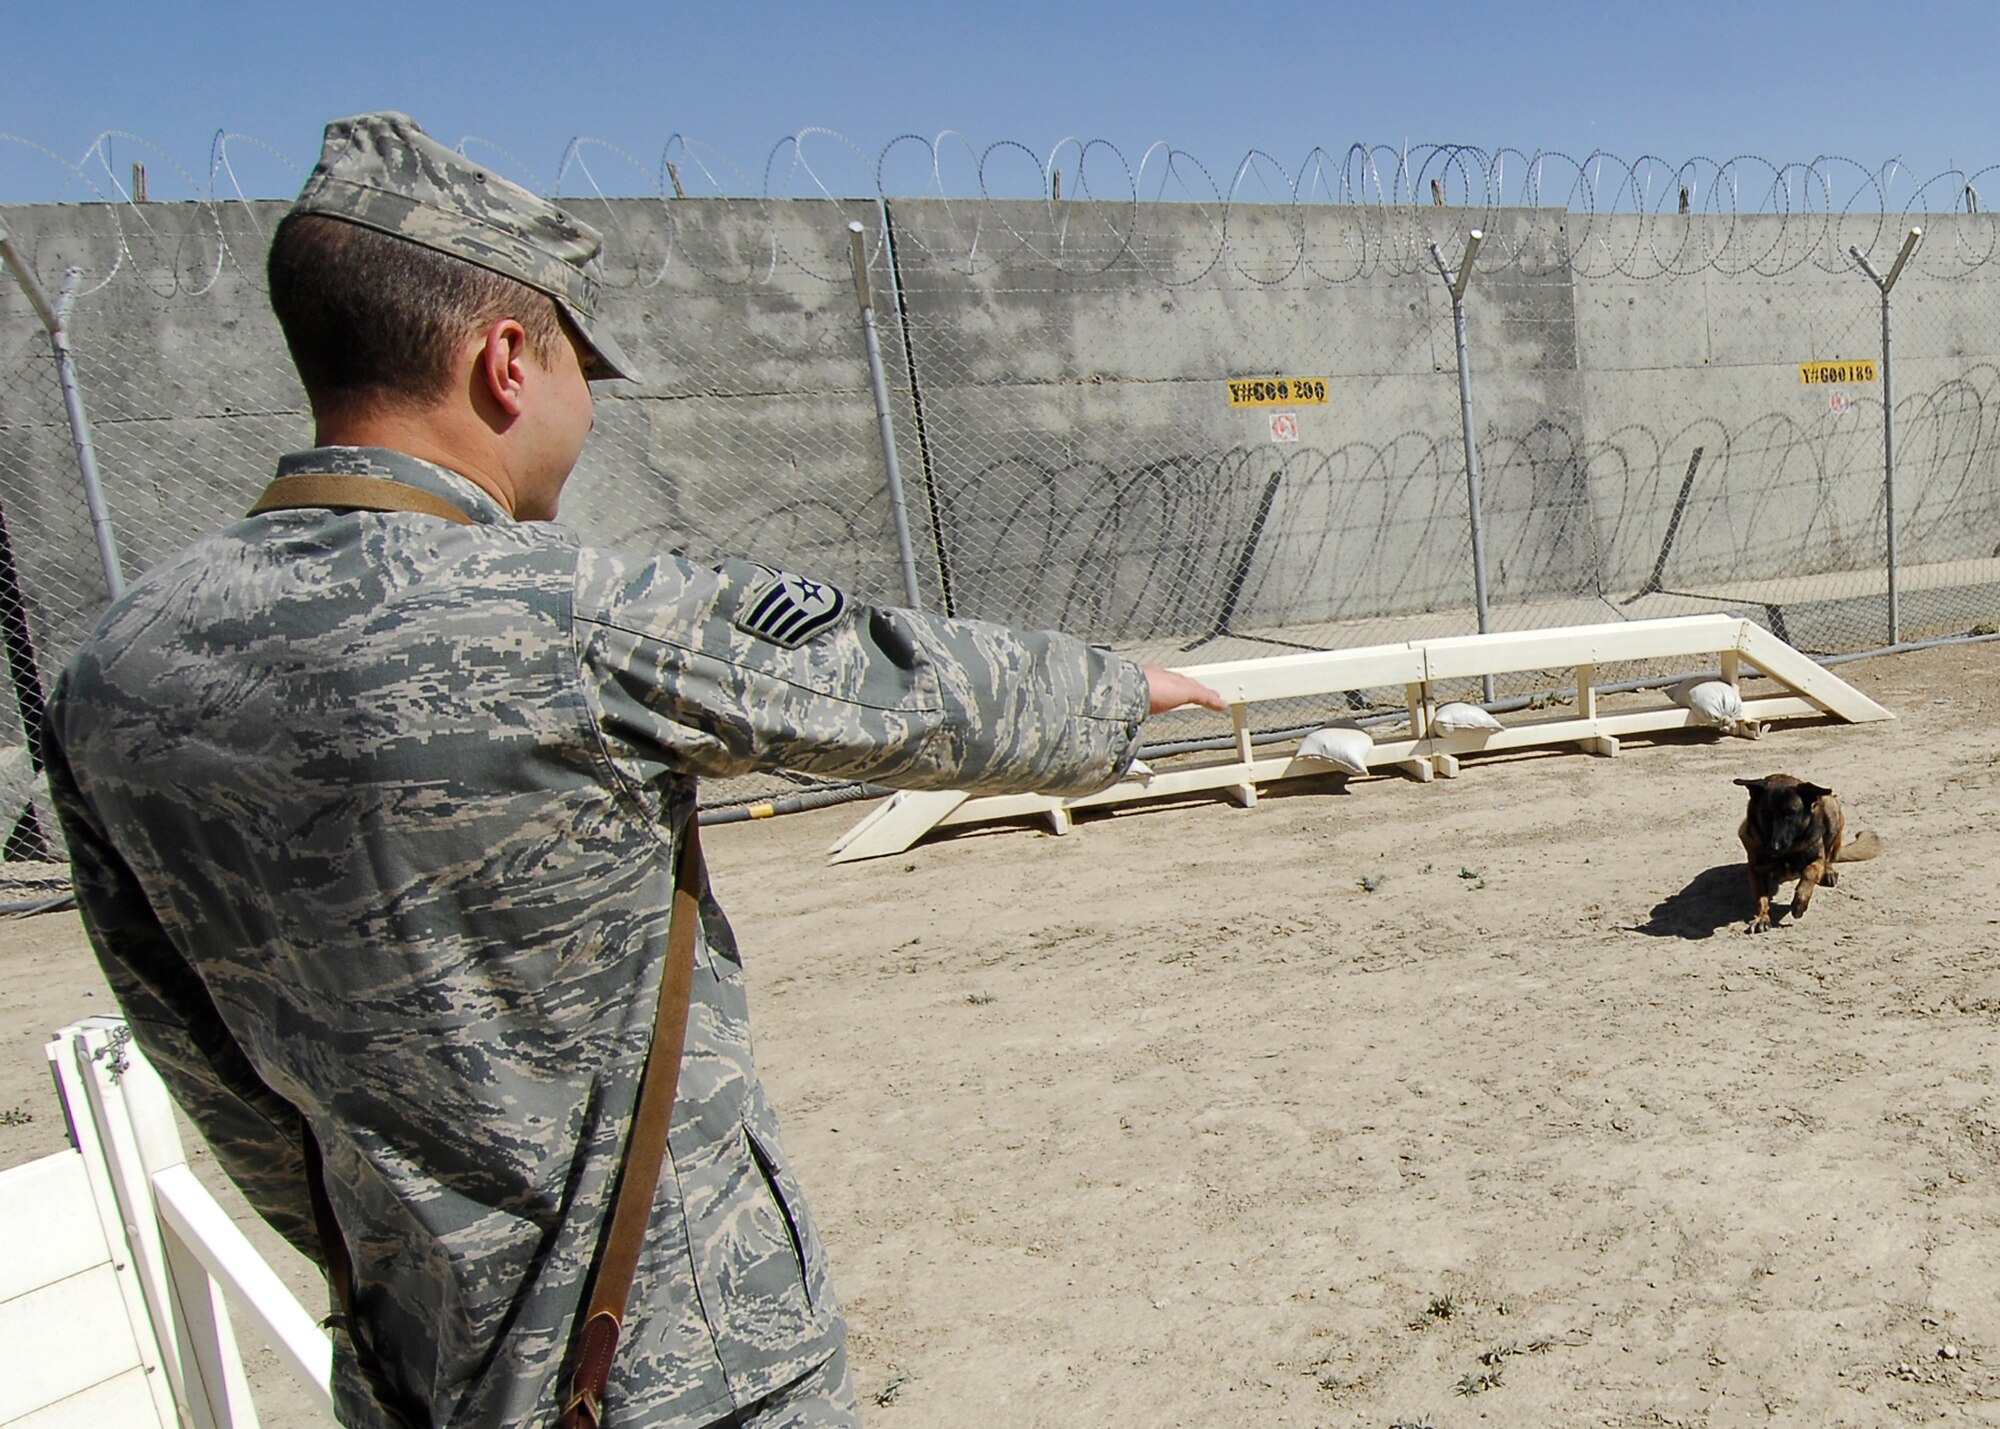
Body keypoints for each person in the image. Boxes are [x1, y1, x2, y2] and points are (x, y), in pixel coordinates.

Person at [42, 112, 1225, 1429]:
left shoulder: (115, 673)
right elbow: (882, 685)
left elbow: (205, 1069)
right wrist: (1115, 691)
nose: (586, 404)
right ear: (506, 360)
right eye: (579, 364)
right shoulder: (559, 614)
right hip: (687, 1369)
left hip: (414, 1371)